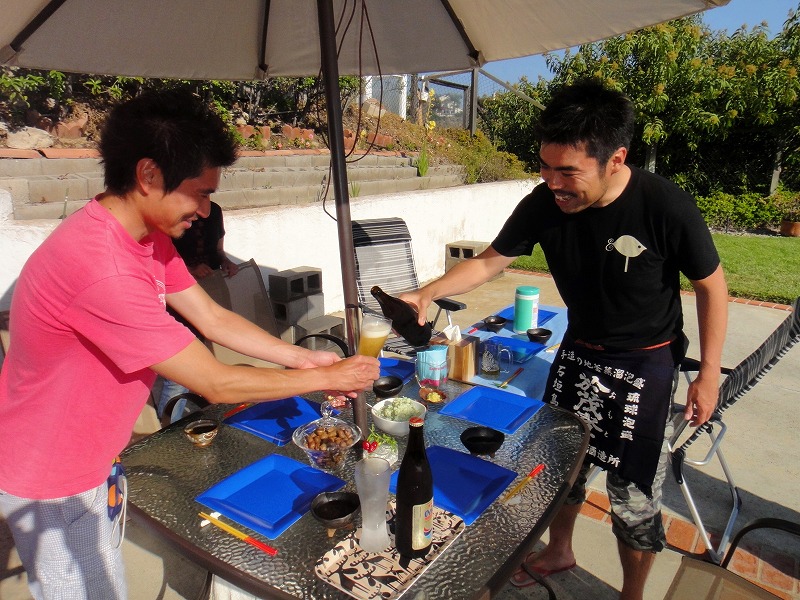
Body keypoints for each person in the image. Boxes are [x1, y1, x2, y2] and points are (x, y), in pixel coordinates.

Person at [0, 89, 379, 600]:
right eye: (199, 193)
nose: (205, 210)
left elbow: (211, 317)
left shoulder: (144, 237)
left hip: (96, 455)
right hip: (55, 476)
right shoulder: (101, 267)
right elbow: (213, 382)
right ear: (149, 175)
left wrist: (304, 357)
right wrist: (329, 377)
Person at [401, 79, 728, 600]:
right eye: (545, 167)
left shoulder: (665, 205)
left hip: (645, 364)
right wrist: (427, 292)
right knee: (561, 466)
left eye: (568, 172)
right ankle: (560, 549)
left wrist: (708, 373)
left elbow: (712, 286)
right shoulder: (544, 202)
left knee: (632, 494)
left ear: (616, 159)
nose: (553, 183)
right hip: (579, 352)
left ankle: (632, 594)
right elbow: (489, 262)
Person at [156, 199, 237, 421]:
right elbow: (161, 261)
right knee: (180, 372)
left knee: (214, 359)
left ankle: (217, 417)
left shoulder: (216, 211)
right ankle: (170, 428)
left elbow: (218, 251)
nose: (198, 214)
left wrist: (226, 262)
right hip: (180, 300)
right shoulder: (172, 213)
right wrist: (190, 269)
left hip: (211, 291)